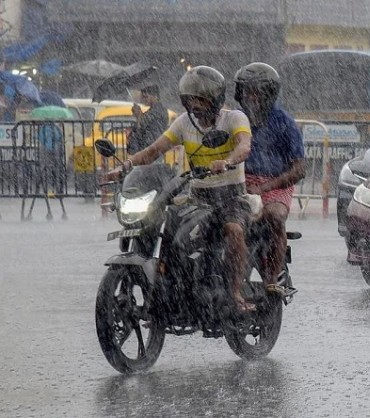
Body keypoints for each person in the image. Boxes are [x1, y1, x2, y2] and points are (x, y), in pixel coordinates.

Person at [105, 66, 255, 312]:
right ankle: (174, 288)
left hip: (231, 197)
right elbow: (155, 150)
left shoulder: (234, 118)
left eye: (201, 99)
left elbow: (244, 146)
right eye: (190, 99)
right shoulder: (184, 123)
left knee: (234, 230)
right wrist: (126, 166)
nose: (195, 104)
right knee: (165, 226)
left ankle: (235, 292)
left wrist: (227, 162)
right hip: (197, 197)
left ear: (215, 99)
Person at [233, 62, 305, 295]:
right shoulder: (234, 119)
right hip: (238, 181)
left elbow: (299, 170)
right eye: (246, 92)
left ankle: (272, 279)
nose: (250, 97)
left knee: (274, 216)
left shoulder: (285, 123)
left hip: (275, 184)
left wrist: (265, 186)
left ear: (268, 94)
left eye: (256, 92)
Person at [128, 84, 169, 156]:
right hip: (149, 148)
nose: (144, 99)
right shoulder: (153, 110)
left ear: (155, 96)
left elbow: (142, 124)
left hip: (152, 149)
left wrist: (139, 115)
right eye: (143, 97)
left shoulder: (158, 110)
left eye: (146, 97)